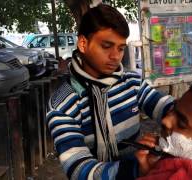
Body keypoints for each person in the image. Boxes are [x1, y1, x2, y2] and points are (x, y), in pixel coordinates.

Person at [46, 4, 174, 179]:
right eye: (106, 46)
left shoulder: (131, 81)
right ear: (83, 44)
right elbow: (78, 169)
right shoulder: (63, 104)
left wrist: (183, 116)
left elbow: (163, 106)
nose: (115, 56)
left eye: (121, 48)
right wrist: (133, 167)